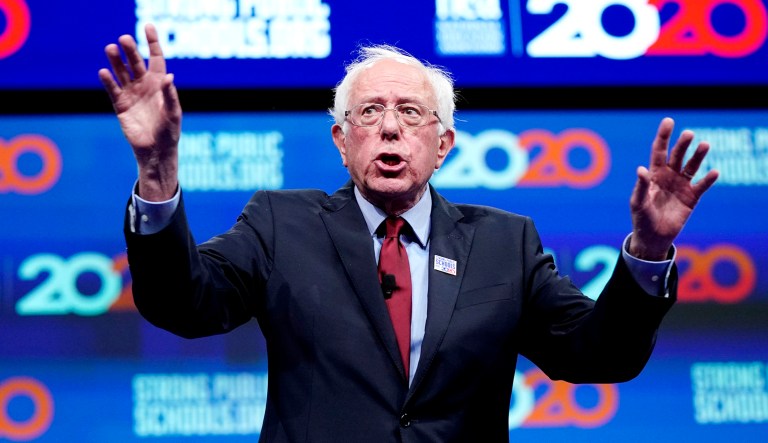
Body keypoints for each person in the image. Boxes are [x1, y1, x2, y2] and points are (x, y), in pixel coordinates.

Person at [99, 24, 718, 442]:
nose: (390, 128)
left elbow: (600, 354)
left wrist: (649, 250)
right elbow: (182, 304)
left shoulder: (506, 245)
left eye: (411, 113)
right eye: (369, 112)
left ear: (443, 144)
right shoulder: (280, 224)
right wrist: (156, 171)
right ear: (342, 141)